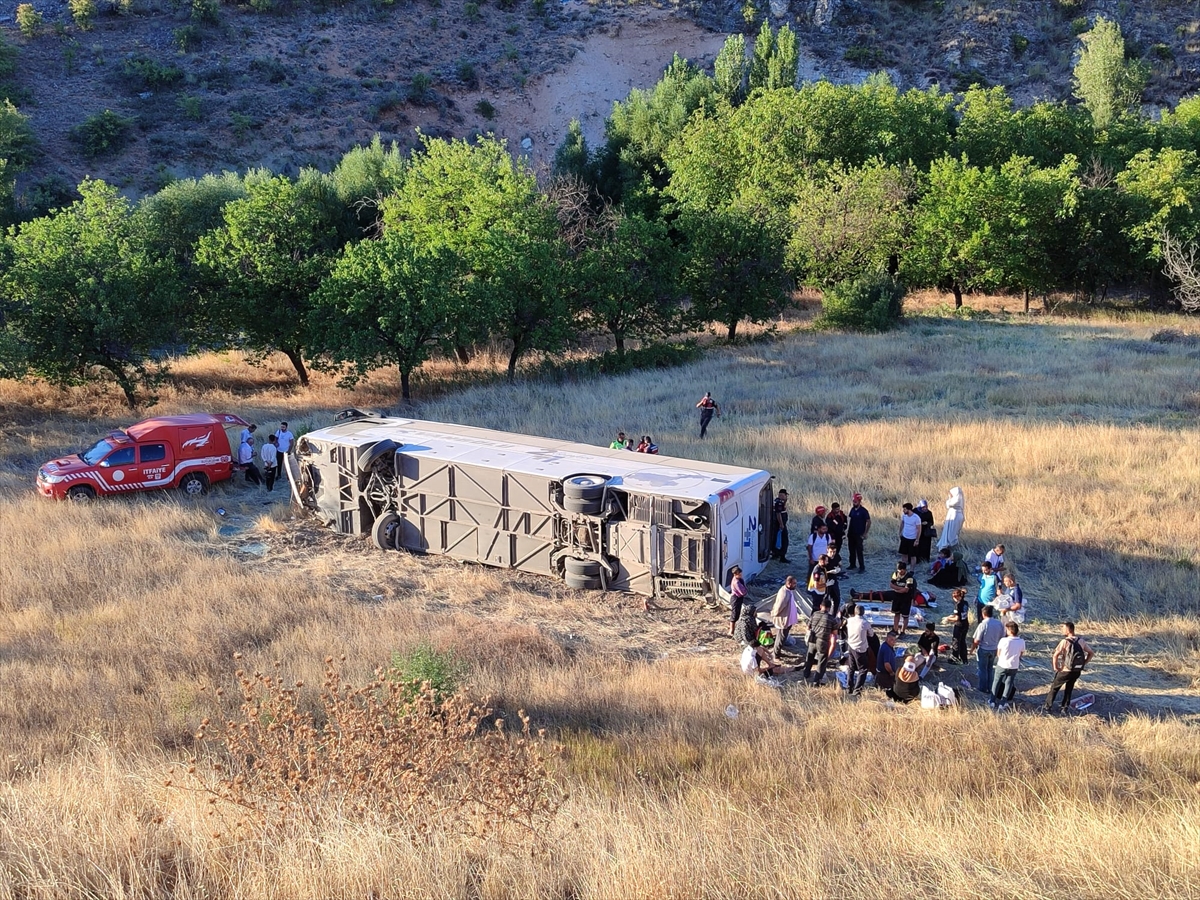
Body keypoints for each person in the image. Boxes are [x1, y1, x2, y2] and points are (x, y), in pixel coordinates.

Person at [1043, 622, 1095, 714]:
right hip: (1076, 671)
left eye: (1063, 628)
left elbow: (1055, 655)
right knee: (1069, 688)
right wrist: (1084, 663)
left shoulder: (1064, 642)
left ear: (1068, 630)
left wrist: (1056, 667)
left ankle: (1048, 707)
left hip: (1065, 670)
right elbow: (1091, 653)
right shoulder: (1081, 641)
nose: (1062, 630)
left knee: (1054, 688)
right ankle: (1064, 708)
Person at [801, 597, 839, 686]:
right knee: (821, 661)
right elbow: (834, 633)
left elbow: (808, 627)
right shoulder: (831, 619)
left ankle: (806, 674)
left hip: (812, 639)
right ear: (829, 608)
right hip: (823, 642)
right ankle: (816, 680)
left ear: (820, 606)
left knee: (809, 657)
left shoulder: (814, 614)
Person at [991, 622, 1026, 709]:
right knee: (1008, 684)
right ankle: (1002, 703)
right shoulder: (1021, 641)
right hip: (1014, 665)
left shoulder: (1003, 640)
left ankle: (992, 700)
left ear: (1010, 630)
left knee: (996, 682)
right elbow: (1021, 654)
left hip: (1002, 664)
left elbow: (998, 653)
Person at [972, 605, 1005, 694]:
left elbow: (977, 640)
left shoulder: (983, 624)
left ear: (983, 614)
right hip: (994, 649)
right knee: (990, 669)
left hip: (984, 649)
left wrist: (972, 649)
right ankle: (990, 687)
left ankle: (983, 688)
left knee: (982, 669)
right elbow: (1003, 637)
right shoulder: (999, 623)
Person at [845, 604, 875, 695]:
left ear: (854, 612)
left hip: (851, 646)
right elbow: (871, 634)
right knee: (863, 669)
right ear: (863, 612)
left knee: (851, 667)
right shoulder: (865, 623)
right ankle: (857, 690)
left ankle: (849, 687)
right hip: (860, 648)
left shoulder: (849, 620)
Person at [770, 575, 801, 660]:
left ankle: (777, 651)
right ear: (789, 583)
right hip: (783, 619)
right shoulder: (784, 593)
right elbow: (779, 607)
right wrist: (774, 614)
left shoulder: (788, 591)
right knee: (781, 637)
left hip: (787, 618)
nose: (795, 585)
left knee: (783, 636)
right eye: (794, 583)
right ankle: (776, 653)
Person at [889, 560, 916, 635]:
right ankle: (895, 629)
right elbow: (891, 584)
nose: (899, 572)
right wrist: (900, 589)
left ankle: (903, 631)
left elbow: (906, 590)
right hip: (897, 598)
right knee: (896, 614)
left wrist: (896, 589)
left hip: (906, 599)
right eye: (898, 569)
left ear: (904, 570)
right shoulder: (895, 573)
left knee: (905, 616)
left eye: (900, 570)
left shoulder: (909, 577)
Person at [847, 492, 871, 573]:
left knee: (859, 551)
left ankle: (862, 567)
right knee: (851, 550)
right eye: (853, 501)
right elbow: (850, 519)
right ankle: (852, 564)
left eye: (855, 501)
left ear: (859, 501)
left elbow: (869, 521)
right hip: (851, 533)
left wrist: (865, 533)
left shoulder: (864, 511)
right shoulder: (852, 509)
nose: (854, 502)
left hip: (859, 534)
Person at [946, 588, 970, 665]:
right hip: (965, 624)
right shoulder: (965, 603)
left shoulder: (958, 605)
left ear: (956, 597)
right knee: (963, 641)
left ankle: (955, 658)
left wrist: (948, 618)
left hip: (959, 625)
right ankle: (964, 658)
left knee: (956, 642)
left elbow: (957, 618)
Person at [937, 487, 965, 552]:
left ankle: (948, 546)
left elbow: (949, 504)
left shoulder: (956, 500)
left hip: (954, 516)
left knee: (950, 532)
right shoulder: (960, 499)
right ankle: (950, 545)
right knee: (952, 532)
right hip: (957, 515)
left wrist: (949, 498)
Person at [898, 503, 921, 568]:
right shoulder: (904, 516)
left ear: (909, 509)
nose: (903, 511)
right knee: (904, 554)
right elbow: (902, 523)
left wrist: (917, 540)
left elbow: (919, 529)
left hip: (912, 539)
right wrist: (900, 532)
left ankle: (912, 570)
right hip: (905, 537)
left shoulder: (916, 518)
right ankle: (903, 569)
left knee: (913, 556)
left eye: (904, 509)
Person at [771, 489, 790, 563]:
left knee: (775, 539)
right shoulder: (779, 503)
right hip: (779, 525)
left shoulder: (777, 501)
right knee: (784, 541)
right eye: (785, 495)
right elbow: (778, 514)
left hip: (776, 525)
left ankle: (775, 554)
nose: (786, 497)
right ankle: (782, 556)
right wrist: (781, 524)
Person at [728, 566, 748, 637]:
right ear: (735, 574)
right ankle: (731, 631)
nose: (741, 574)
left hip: (738, 598)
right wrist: (745, 591)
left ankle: (733, 628)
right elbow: (743, 592)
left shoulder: (738, 579)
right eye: (739, 573)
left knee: (737, 613)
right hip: (736, 599)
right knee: (734, 614)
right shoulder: (736, 582)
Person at [914, 499, 936, 564]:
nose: (925, 508)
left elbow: (931, 522)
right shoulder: (915, 511)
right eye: (923, 507)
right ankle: (916, 560)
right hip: (917, 531)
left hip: (925, 532)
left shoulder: (929, 513)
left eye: (926, 507)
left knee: (925, 546)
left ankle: (925, 559)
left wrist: (927, 523)